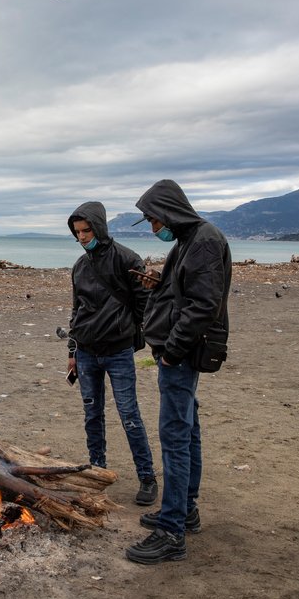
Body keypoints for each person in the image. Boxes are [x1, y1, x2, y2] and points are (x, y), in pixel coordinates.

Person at [126, 179, 232, 565]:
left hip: (182, 356)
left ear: (170, 211)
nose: (154, 229)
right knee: (187, 431)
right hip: (181, 353)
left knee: (175, 436)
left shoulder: (203, 241)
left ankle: (171, 532)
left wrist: (170, 352)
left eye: (154, 220)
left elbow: (203, 305)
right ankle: (184, 510)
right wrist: (159, 283)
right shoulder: (190, 241)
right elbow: (187, 293)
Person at [66, 201, 157, 506]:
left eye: (86, 230)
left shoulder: (126, 258)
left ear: (99, 227)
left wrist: (133, 333)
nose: (81, 236)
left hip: (118, 352)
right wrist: (72, 350)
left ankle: (147, 477)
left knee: (129, 415)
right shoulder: (79, 266)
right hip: (87, 353)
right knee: (92, 415)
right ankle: (97, 472)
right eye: (77, 231)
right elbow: (76, 310)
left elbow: (145, 302)